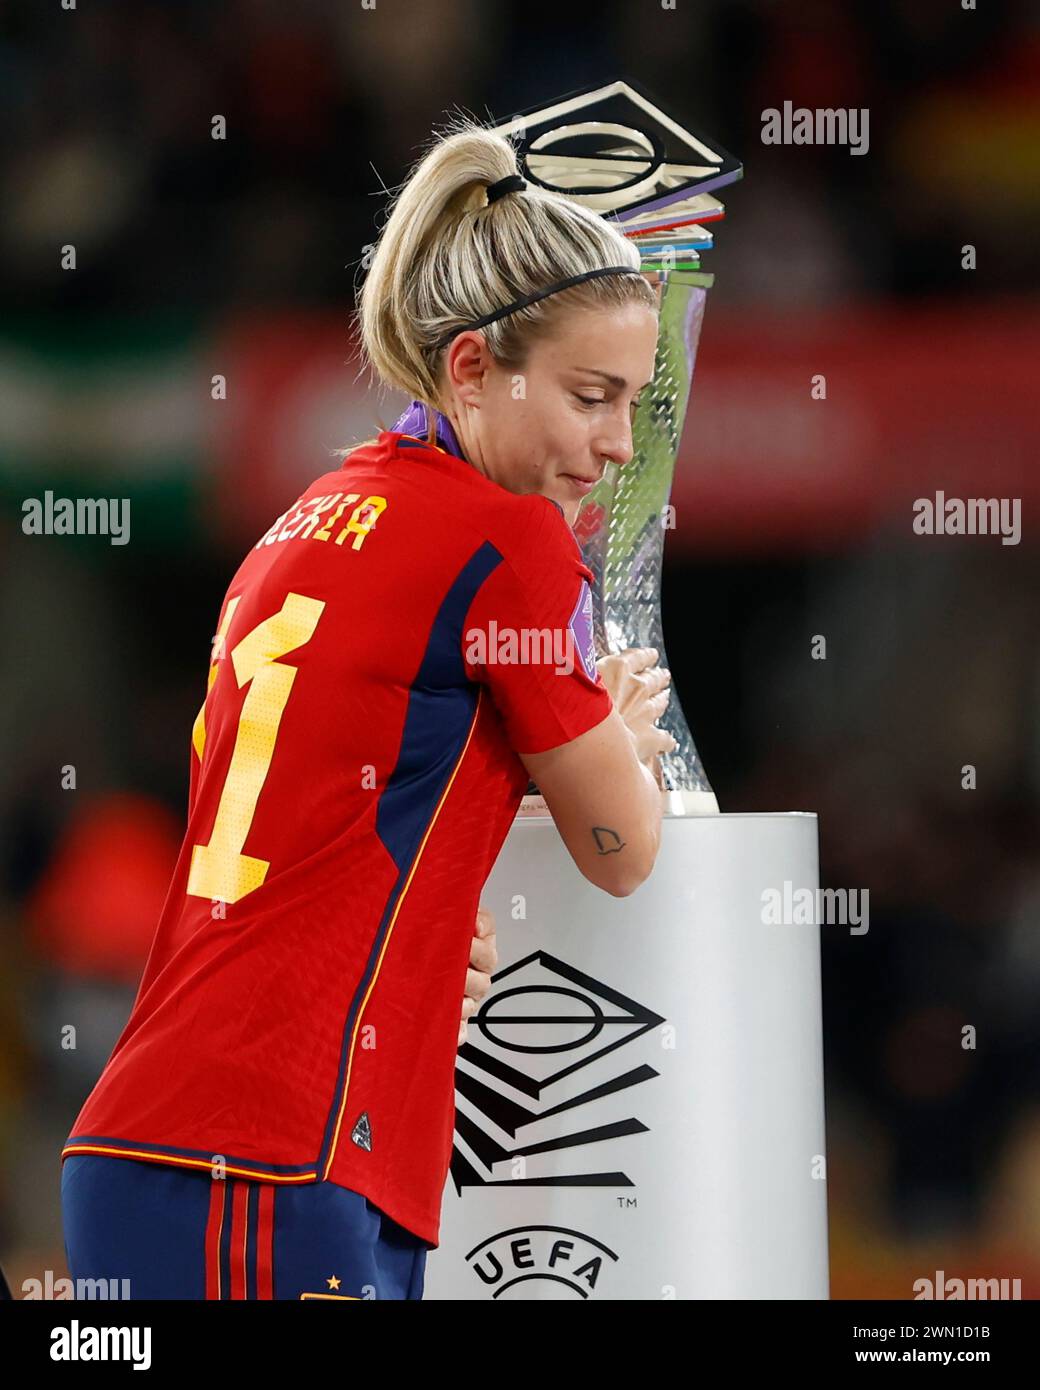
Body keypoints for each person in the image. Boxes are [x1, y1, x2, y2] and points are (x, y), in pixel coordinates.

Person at [59, 119, 675, 1300]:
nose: (609, 444)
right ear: (470, 366)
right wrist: (619, 737)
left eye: (632, 406)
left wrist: (426, 924)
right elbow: (620, 847)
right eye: (589, 396)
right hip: (270, 1157)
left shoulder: (305, 517)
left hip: (181, 1143)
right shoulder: (508, 539)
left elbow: (325, 827)